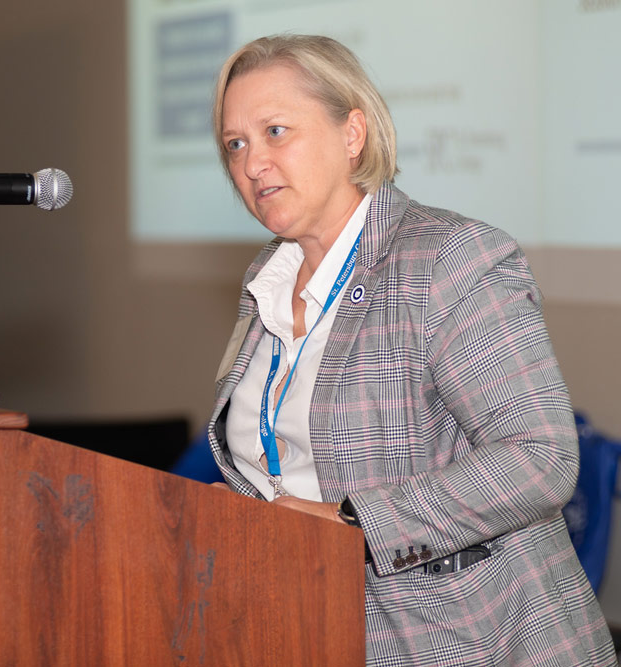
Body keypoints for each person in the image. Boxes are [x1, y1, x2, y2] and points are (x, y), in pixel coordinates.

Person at [207, 33, 617, 666]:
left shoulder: (449, 257)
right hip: (310, 627)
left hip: (471, 642)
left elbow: (540, 458)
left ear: (352, 135)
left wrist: (354, 525)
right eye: (236, 144)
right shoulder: (267, 282)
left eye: (276, 132)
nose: (253, 162)